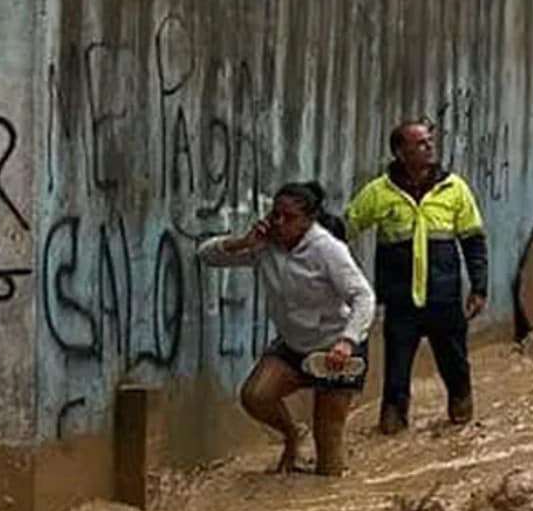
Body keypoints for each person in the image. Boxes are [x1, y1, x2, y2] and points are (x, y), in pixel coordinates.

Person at [197, 182, 375, 476]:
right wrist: (243, 242)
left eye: (288, 217)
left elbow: (363, 296)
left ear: (308, 220)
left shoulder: (328, 249)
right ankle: (293, 435)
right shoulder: (263, 246)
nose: (279, 223)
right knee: (255, 396)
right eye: (275, 215)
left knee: (329, 463)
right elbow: (206, 256)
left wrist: (347, 341)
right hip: (293, 346)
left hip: (336, 350)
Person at [346, 121, 489, 435]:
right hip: (401, 302)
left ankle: (461, 419)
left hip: (444, 298)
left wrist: (479, 287)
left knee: (455, 366)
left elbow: (473, 240)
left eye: (429, 141)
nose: (429, 147)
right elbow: (346, 229)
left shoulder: (454, 189)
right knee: (396, 374)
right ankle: (392, 427)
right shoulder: (379, 193)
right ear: (400, 151)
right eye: (420, 143)